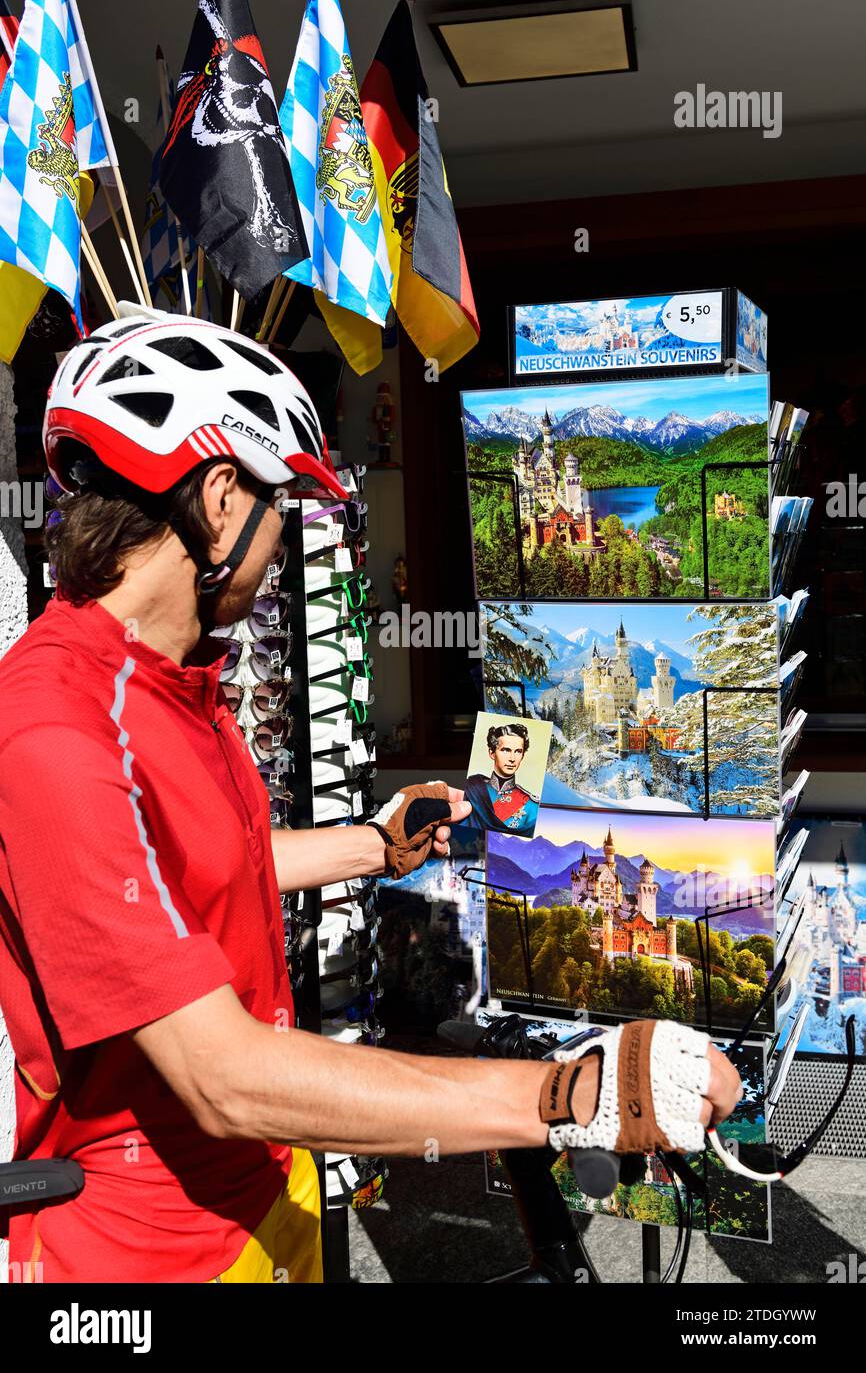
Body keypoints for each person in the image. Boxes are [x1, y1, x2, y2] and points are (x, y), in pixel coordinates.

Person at [0, 308, 742, 1284]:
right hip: (147, 1257)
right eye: (285, 513)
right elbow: (222, 1078)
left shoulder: (172, 677)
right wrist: (570, 1091)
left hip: (267, 1198)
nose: (281, 558)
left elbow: (185, 873)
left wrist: (369, 842)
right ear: (220, 499)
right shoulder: (52, 725)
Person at [463, 722, 540, 835]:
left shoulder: (532, 806)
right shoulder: (471, 789)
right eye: (506, 750)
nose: (512, 758)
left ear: (523, 756)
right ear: (492, 753)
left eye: (518, 751)